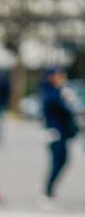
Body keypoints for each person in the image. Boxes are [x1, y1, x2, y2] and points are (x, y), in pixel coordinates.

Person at [39, 66, 79, 207]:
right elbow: (66, 110)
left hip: (61, 132)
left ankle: (49, 191)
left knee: (61, 161)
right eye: (58, 75)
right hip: (54, 133)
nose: (62, 78)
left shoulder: (58, 92)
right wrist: (69, 100)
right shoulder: (50, 93)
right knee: (58, 161)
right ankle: (47, 192)